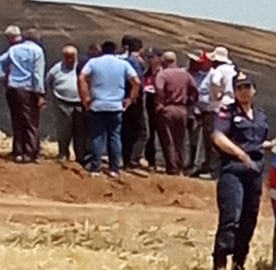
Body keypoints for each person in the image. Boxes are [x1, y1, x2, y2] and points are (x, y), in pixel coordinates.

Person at [210, 73, 270, 270]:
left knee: (249, 218)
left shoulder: (260, 114)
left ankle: (238, 263)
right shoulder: (227, 112)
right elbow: (218, 137)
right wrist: (241, 154)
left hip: (255, 170)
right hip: (233, 169)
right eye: (240, 87)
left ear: (254, 90)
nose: (244, 91)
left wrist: (268, 146)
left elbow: (257, 141)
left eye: (247, 87)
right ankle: (219, 266)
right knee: (231, 217)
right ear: (235, 91)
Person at [79, 38, 140, 177]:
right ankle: (114, 169)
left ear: (101, 50)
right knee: (114, 137)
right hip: (116, 105)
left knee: (97, 136)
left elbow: (82, 77)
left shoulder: (94, 62)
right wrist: (130, 99)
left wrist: (85, 97)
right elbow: (136, 81)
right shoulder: (122, 64)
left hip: (97, 104)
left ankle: (95, 168)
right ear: (115, 50)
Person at [0, 25, 46, 163]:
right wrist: (40, 94)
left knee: (16, 120)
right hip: (28, 89)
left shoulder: (14, 49)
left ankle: (18, 150)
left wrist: (3, 77)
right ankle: (30, 153)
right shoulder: (37, 51)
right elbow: (37, 74)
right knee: (31, 122)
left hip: (12, 88)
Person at [153, 50, 197, 175]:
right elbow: (194, 89)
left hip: (168, 108)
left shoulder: (162, 74)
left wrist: (160, 102)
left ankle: (172, 167)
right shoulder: (185, 75)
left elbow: (159, 88)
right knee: (180, 139)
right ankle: (180, 165)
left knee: (168, 139)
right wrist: (190, 101)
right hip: (182, 109)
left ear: (163, 61)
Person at [197, 46, 236, 177]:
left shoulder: (217, 71)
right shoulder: (234, 70)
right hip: (232, 107)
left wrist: (216, 94)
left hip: (218, 107)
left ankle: (212, 169)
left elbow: (214, 82)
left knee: (212, 138)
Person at [44, 44, 83, 163]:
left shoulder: (83, 67)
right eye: (67, 57)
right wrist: (53, 97)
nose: (70, 60)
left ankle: (80, 156)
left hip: (80, 104)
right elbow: (48, 81)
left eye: (72, 57)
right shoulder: (56, 69)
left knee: (81, 132)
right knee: (64, 130)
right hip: (62, 103)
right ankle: (63, 154)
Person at [120, 35, 149, 170]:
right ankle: (133, 159)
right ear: (140, 49)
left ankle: (125, 159)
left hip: (123, 98)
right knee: (141, 132)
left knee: (126, 130)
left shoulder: (123, 61)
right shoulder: (135, 62)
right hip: (134, 100)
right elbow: (138, 82)